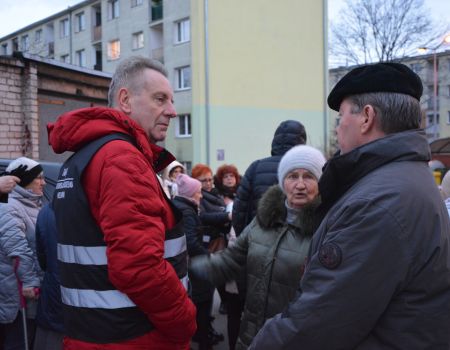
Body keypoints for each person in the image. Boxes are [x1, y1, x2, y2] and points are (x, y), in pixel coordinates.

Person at [250, 62, 450, 349]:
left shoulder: (378, 203)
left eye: (340, 116)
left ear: (366, 117)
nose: (338, 129)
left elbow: (315, 325)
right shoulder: (403, 179)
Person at [48, 56, 196, 349]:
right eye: (160, 99)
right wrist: (185, 323)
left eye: (171, 100)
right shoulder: (121, 158)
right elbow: (138, 266)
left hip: (95, 335)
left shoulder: (85, 156)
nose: (172, 111)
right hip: (135, 338)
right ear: (125, 100)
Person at [190, 145, 326, 350]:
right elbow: (232, 259)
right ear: (282, 182)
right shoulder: (263, 219)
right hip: (253, 333)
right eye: (292, 176)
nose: (299, 185)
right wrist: (192, 266)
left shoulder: (326, 227)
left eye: (308, 176)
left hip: (296, 339)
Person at [0, 157, 45, 350]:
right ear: (24, 181)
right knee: (18, 342)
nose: (43, 182)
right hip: (16, 293)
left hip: (28, 294)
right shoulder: (10, 208)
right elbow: (18, 251)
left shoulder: (33, 205)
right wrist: (30, 282)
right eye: (39, 178)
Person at [232, 120, 307, 236]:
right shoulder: (306, 171)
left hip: (257, 239)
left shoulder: (255, 167)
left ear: (275, 141)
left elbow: (239, 210)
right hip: (296, 243)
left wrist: (244, 239)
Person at [172, 174, 212, 350]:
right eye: (198, 192)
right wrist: (208, 255)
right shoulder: (187, 212)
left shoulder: (181, 206)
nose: (201, 196)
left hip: (186, 265)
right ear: (190, 193)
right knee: (202, 302)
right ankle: (203, 341)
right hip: (194, 266)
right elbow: (191, 242)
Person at [33, 203, 63, 350]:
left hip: (52, 290)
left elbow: (42, 257)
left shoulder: (46, 210)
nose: (43, 183)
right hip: (89, 306)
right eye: (38, 178)